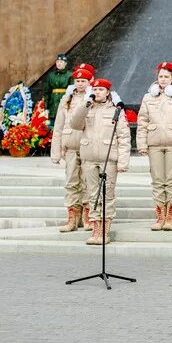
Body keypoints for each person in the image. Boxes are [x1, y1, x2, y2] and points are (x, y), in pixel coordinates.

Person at [67, 77, 130, 245]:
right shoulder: (87, 108)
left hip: (108, 159)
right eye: (94, 90)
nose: (97, 92)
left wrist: (123, 161)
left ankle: (105, 229)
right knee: (93, 195)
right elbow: (74, 124)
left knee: (107, 195)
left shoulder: (116, 110)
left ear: (108, 92)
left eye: (101, 90)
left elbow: (123, 136)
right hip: (89, 158)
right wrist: (84, 105)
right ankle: (95, 228)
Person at [136, 61, 172, 232]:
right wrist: (142, 144)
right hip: (155, 144)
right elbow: (142, 121)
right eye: (161, 76)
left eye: (167, 77)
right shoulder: (148, 97)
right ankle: (160, 215)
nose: (163, 79)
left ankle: (170, 215)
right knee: (158, 181)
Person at [50, 67, 95, 232]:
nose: (81, 84)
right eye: (78, 81)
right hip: (70, 146)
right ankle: (72, 217)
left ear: (89, 82)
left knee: (87, 182)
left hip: (87, 146)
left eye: (84, 81)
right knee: (71, 182)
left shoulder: (93, 98)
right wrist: (55, 151)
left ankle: (87, 216)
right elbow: (59, 126)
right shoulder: (66, 99)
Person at [42, 53, 72, 120]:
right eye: (57, 62)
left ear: (65, 63)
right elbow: (47, 92)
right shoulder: (51, 75)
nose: (59, 63)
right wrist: (46, 107)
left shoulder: (70, 75)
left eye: (61, 62)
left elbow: (72, 92)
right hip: (53, 102)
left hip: (64, 101)